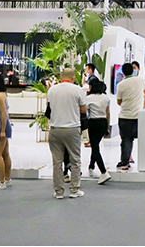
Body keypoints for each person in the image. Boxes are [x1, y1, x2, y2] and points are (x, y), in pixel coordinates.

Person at [46, 68, 86, 199]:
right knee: (75, 160)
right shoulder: (77, 90)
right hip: (72, 128)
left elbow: (48, 110)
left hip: (55, 128)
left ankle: (59, 192)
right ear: (73, 78)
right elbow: (83, 110)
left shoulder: (52, 90)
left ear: (61, 77)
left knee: (57, 162)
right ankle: (74, 190)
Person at [116, 63, 145, 171]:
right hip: (139, 116)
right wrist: (144, 106)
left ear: (123, 72)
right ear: (133, 71)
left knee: (126, 140)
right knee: (143, 139)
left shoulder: (121, 84)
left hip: (125, 116)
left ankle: (125, 162)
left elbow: (119, 102)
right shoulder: (140, 80)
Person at [86, 75, 111, 185]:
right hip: (103, 122)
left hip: (93, 122)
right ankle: (91, 166)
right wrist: (108, 127)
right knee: (95, 144)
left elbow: (85, 111)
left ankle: (103, 171)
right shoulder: (105, 97)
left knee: (95, 146)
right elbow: (108, 113)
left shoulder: (89, 98)